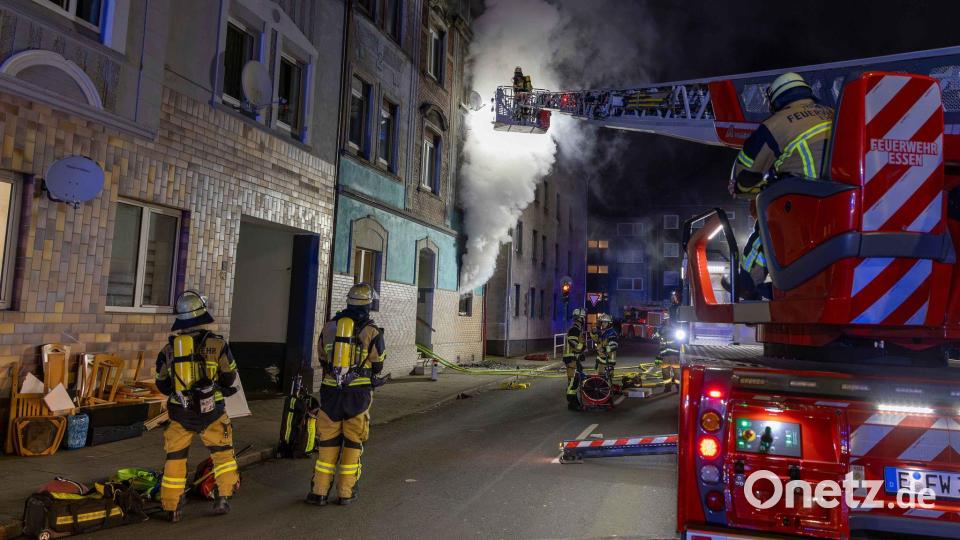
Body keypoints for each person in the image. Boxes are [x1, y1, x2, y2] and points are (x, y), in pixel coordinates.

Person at [727, 72, 834, 299]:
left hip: (803, 196)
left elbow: (746, 169)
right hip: (841, 198)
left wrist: (739, 188)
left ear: (775, 100)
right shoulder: (835, 114)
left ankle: (747, 280)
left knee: (767, 225)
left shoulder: (776, 124)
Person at [155, 290, 239, 522]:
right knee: (222, 454)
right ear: (202, 315)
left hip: (180, 412)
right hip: (212, 410)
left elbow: (162, 385)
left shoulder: (168, 350)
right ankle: (222, 498)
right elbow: (229, 377)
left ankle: (172, 507)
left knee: (175, 458)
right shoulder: (218, 344)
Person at [306, 283, 386, 506]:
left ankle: (319, 491)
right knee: (352, 443)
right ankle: (345, 492)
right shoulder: (372, 331)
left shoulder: (330, 327)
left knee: (328, 442)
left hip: (331, 393)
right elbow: (378, 365)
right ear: (368, 305)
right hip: (358, 396)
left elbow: (322, 357)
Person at [562, 308, 587, 410]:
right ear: (580, 319)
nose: (584, 320)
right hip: (571, 359)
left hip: (573, 359)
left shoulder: (576, 329)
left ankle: (574, 402)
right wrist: (580, 349)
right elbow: (573, 342)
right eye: (583, 318)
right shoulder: (575, 329)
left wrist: (580, 354)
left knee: (575, 380)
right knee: (573, 381)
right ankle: (572, 403)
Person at [594, 314, 618, 378]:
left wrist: (604, 349)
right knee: (601, 378)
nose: (603, 324)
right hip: (602, 360)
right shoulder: (604, 332)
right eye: (602, 322)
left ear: (609, 323)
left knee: (607, 379)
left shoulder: (612, 333)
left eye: (605, 322)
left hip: (608, 361)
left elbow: (614, 346)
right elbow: (598, 342)